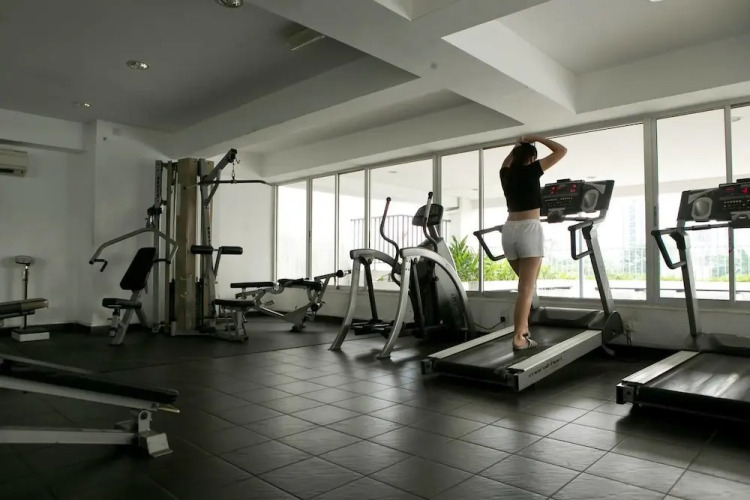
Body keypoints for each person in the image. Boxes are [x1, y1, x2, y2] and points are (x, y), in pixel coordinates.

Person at [500, 134, 567, 349]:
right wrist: (537, 137)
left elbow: (507, 161)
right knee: (526, 288)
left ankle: (524, 327)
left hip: (508, 231)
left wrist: (518, 145)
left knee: (527, 285)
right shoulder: (532, 170)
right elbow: (561, 150)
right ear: (531, 158)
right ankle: (519, 338)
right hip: (529, 229)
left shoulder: (505, 173)